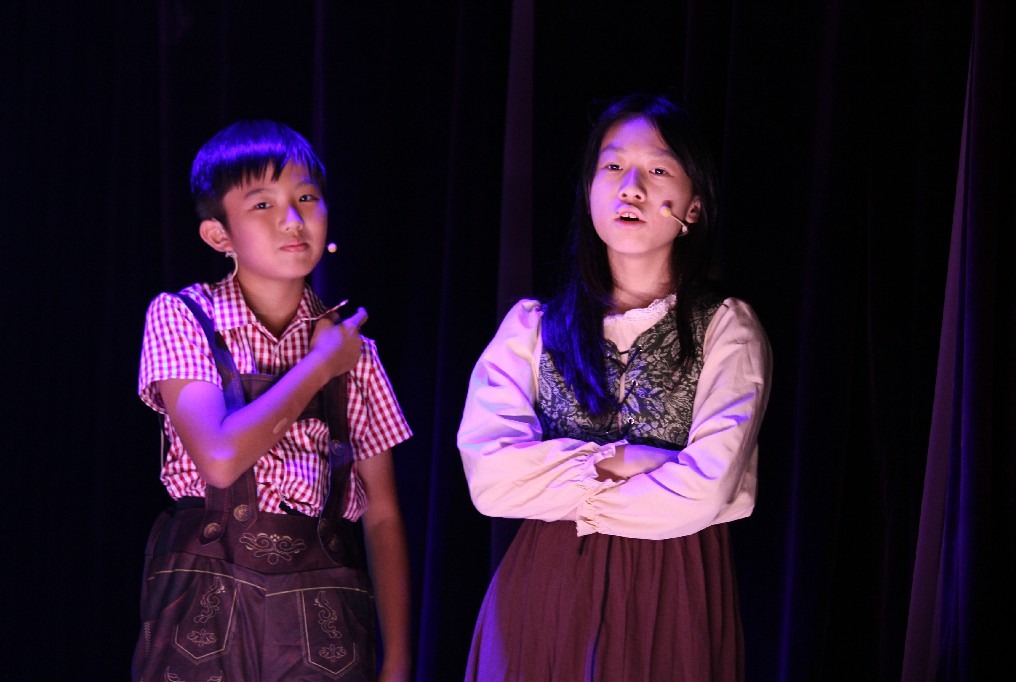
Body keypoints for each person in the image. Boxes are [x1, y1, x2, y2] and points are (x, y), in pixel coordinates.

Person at [457, 93, 772, 681]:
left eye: (658, 170)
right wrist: (629, 461)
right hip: (546, 585)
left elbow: (706, 491)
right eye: (613, 165)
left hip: (672, 588)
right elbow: (490, 480)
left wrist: (561, 485)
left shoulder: (725, 327)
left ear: (694, 205)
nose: (632, 187)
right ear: (590, 189)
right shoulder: (532, 327)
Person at [132, 120, 412, 681]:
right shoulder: (183, 316)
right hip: (204, 604)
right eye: (263, 204)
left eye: (306, 198)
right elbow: (219, 457)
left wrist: (399, 658)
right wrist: (318, 367)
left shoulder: (355, 351)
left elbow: (382, 514)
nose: (292, 219)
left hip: (325, 616)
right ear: (219, 236)